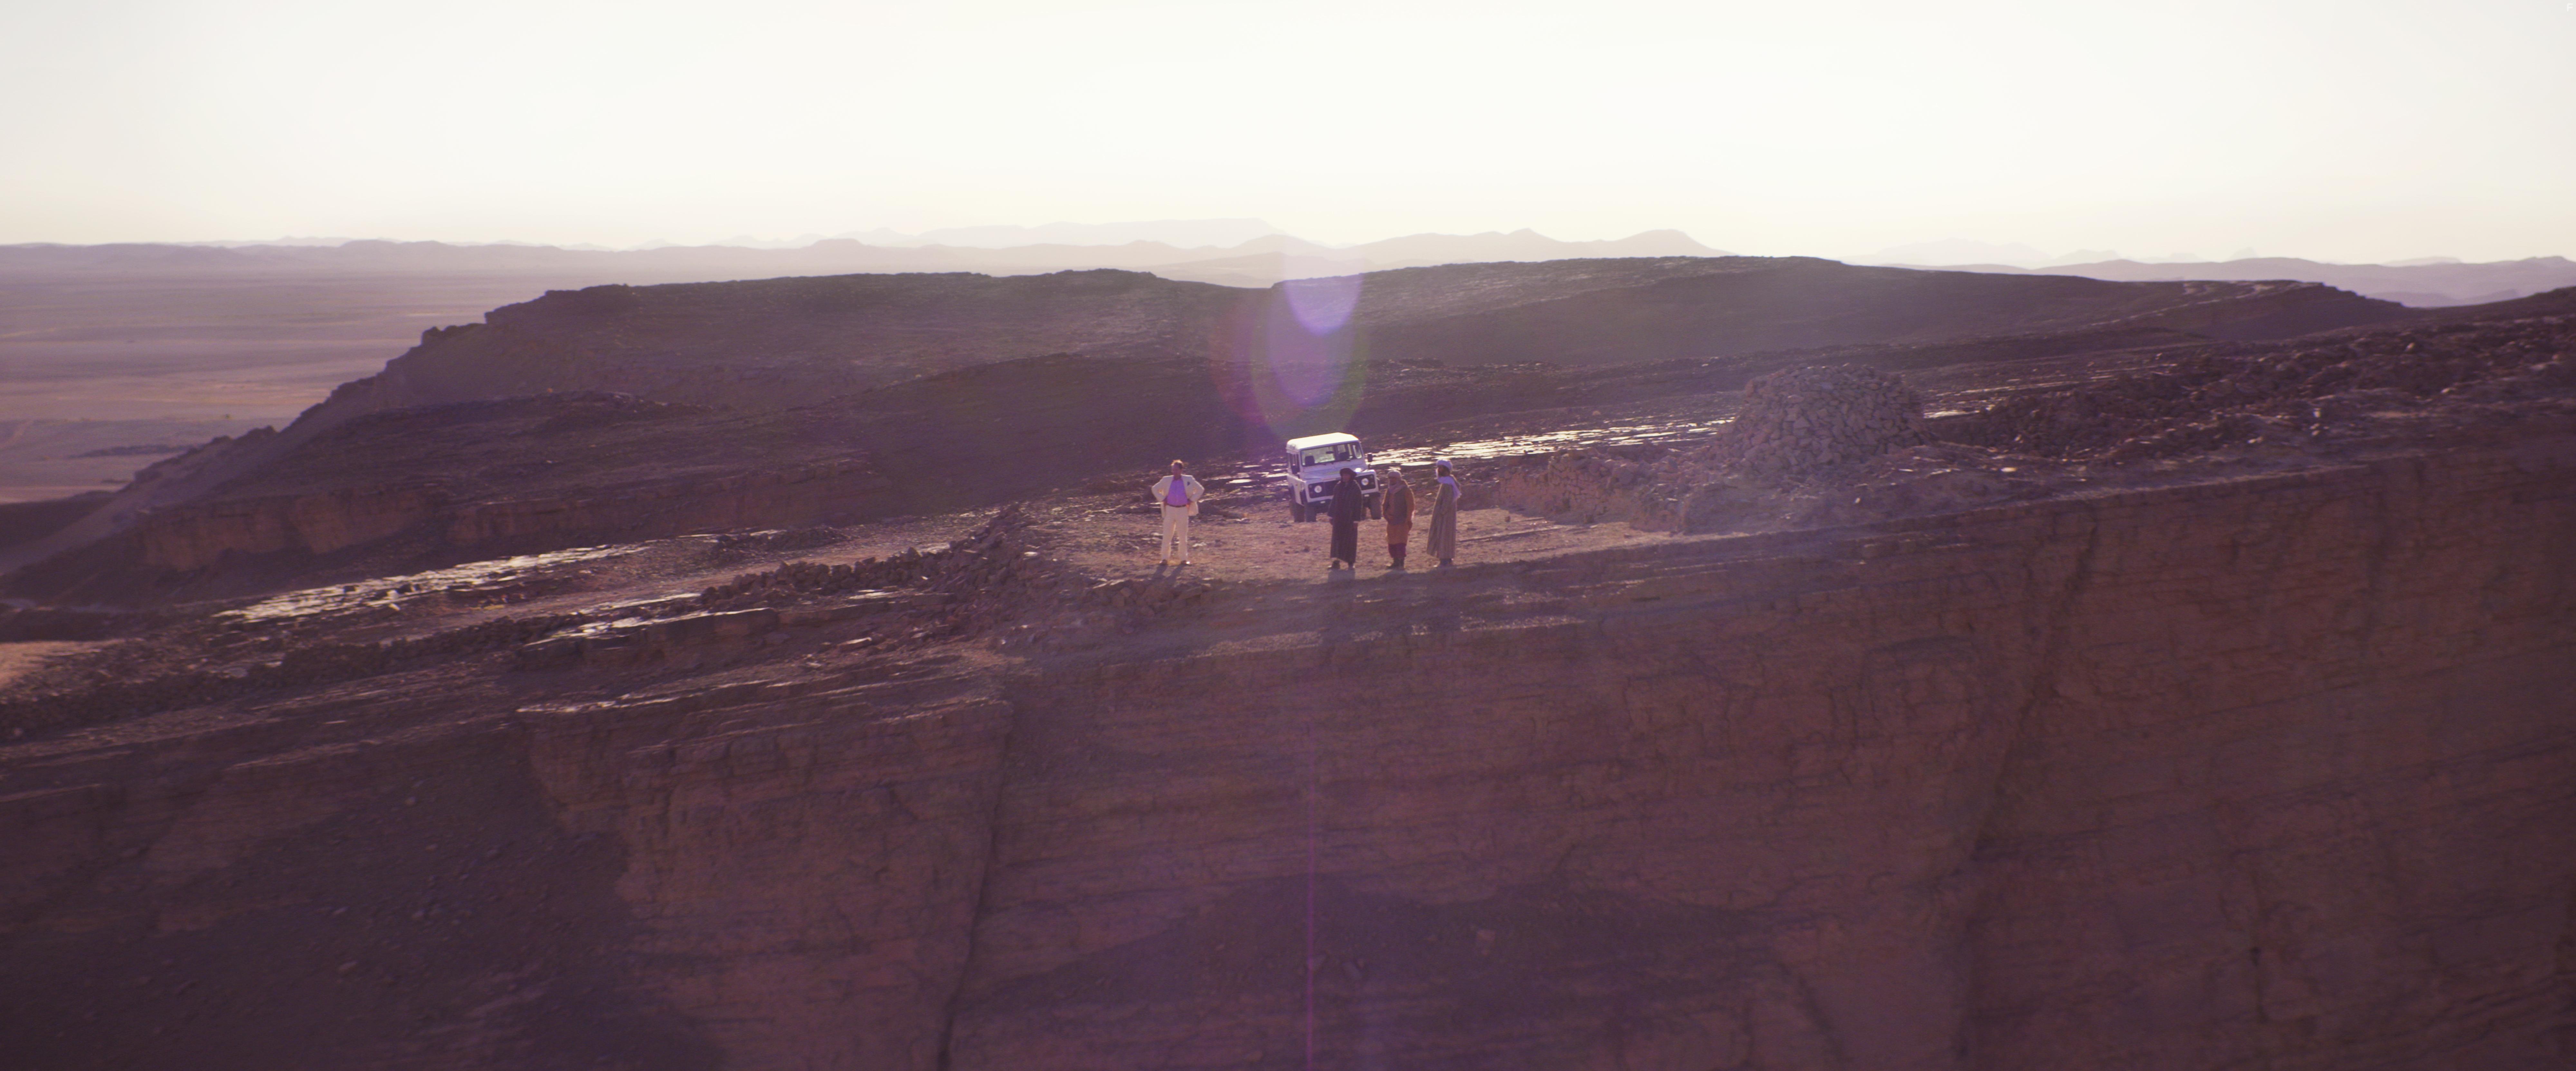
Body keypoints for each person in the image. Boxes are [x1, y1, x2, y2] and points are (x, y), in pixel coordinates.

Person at [1151, 460, 1204, 566]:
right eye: (1173, 470)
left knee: (1183, 535)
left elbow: (1200, 489)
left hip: (1183, 510)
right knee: (1167, 535)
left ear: (1181, 470)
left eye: (1176, 470)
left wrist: (1192, 500)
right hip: (1170, 510)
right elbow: (1155, 489)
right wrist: (1163, 499)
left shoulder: (1189, 479)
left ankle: (1184, 559)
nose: (1174, 472)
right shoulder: (1166, 480)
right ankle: (1165, 559)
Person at [1325, 466, 1364, 570]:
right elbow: (1334, 501)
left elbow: (1358, 504)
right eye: (1344, 475)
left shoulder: (1355, 488)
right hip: (1339, 518)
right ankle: (1336, 563)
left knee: (1350, 540)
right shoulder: (1339, 487)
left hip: (1350, 519)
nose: (1345, 477)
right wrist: (1331, 515)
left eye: (1347, 475)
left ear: (1351, 476)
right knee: (1337, 540)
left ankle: (1351, 563)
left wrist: (1356, 520)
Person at [1379, 465, 1415, 569]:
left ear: (1399, 479)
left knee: (1401, 542)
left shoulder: (1406, 490)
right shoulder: (1390, 491)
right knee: (1392, 542)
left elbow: (1411, 506)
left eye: (1394, 478)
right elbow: (1385, 505)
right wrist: (1386, 515)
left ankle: (1401, 563)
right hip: (1391, 521)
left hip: (1403, 521)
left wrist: (1408, 520)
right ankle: (1395, 562)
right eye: (1390, 478)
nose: (1392, 480)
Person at [1427, 459, 1460, 567]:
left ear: (1446, 469)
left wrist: (1442, 512)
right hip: (1445, 515)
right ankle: (1447, 560)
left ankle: (1445, 561)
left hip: (1446, 516)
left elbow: (1448, 500)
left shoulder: (1448, 483)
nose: (1439, 470)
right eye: (1439, 468)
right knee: (1445, 536)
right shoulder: (1447, 481)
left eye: (1441, 468)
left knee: (1444, 537)